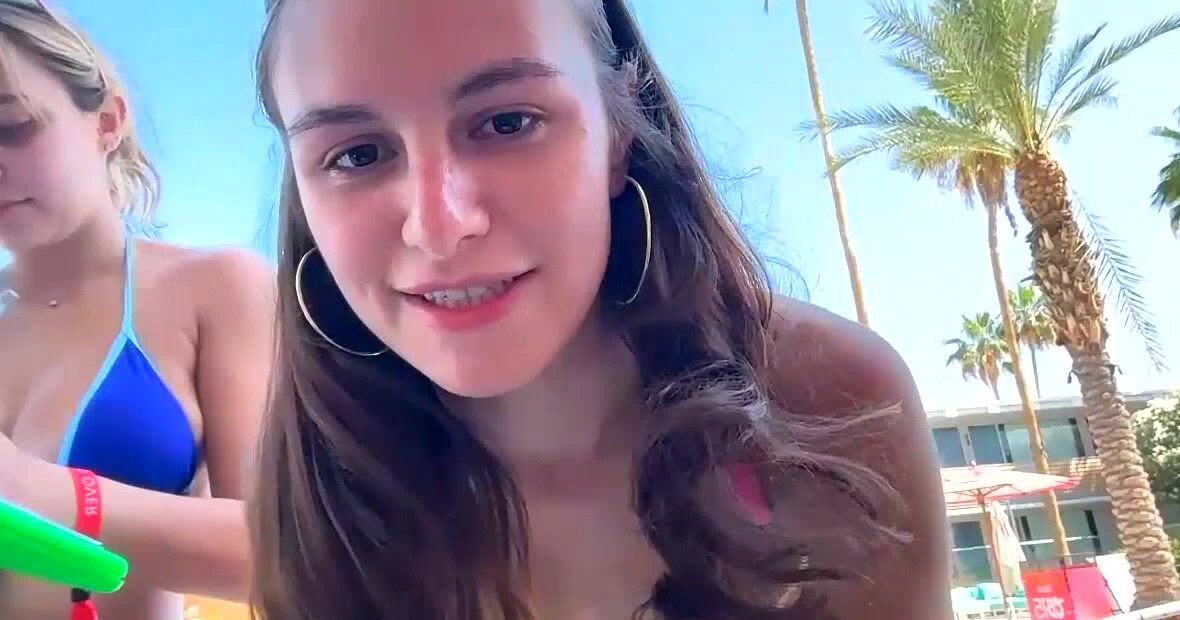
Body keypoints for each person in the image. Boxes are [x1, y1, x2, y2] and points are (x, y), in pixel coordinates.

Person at [249, 0, 952, 618]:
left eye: (507, 122)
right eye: (356, 155)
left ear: (620, 129)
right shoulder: (321, 491)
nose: (438, 226)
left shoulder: (828, 407)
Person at [0, 2, 272, 619]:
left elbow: (279, 551)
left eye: (12, 126)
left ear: (107, 121)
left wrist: (27, 488)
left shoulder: (216, 287)